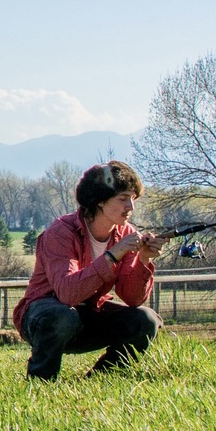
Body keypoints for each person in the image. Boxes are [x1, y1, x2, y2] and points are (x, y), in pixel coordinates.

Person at [13, 161, 161, 381]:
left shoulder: (126, 234)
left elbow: (132, 299)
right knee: (62, 316)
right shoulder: (61, 233)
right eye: (123, 199)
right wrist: (111, 256)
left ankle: (101, 379)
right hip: (44, 315)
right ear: (100, 201)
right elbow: (67, 294)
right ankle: (40, 382)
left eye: (133, 198)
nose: (131, 206)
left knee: (146, 320)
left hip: (88, 314)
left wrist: (143, 260)